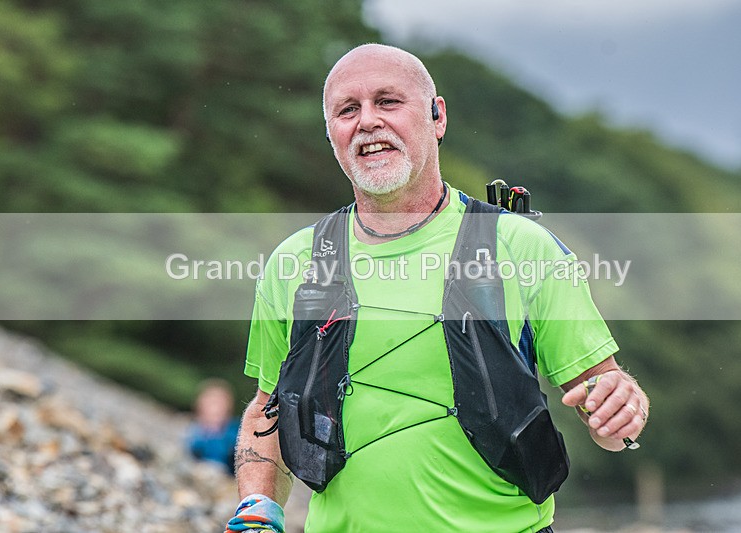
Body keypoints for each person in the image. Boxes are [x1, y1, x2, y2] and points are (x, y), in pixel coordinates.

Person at [228, 43, 649, 533]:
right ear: (332, 136)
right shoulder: (293, 263)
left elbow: (605, 402)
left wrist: (622, 410)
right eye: (348, 110)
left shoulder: (520, 246)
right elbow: (268, 406)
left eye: (387, 101)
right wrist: (258, 507)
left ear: (437, 116)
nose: (367, 121)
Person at [185, 378, 240, 475]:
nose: (215, 409)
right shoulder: (194, 433)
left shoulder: (236, 432)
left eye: (219, 404)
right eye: (211, 404)